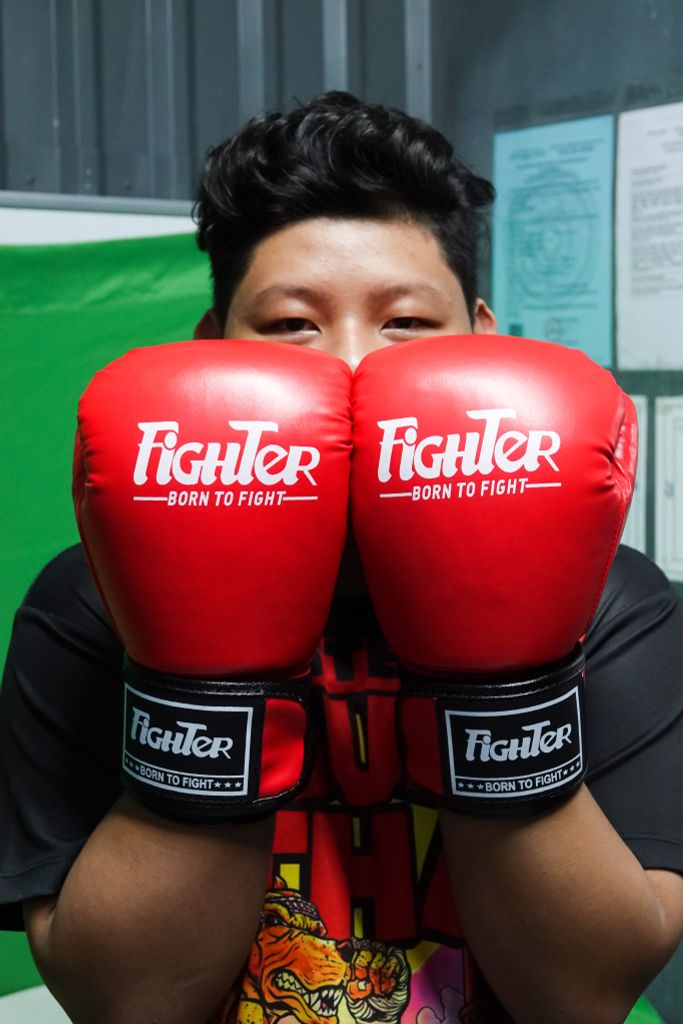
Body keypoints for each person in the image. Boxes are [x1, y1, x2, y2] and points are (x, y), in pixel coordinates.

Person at [1, 91, 683, 1024]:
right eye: (290, 326)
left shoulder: (609, 599)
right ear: (212, 352)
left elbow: (584, 996)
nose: (351, 368)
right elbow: (123, 1003)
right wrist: (203, 677)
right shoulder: (90, 603)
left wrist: (499, 674)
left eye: (405, 321)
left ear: (482, 345)